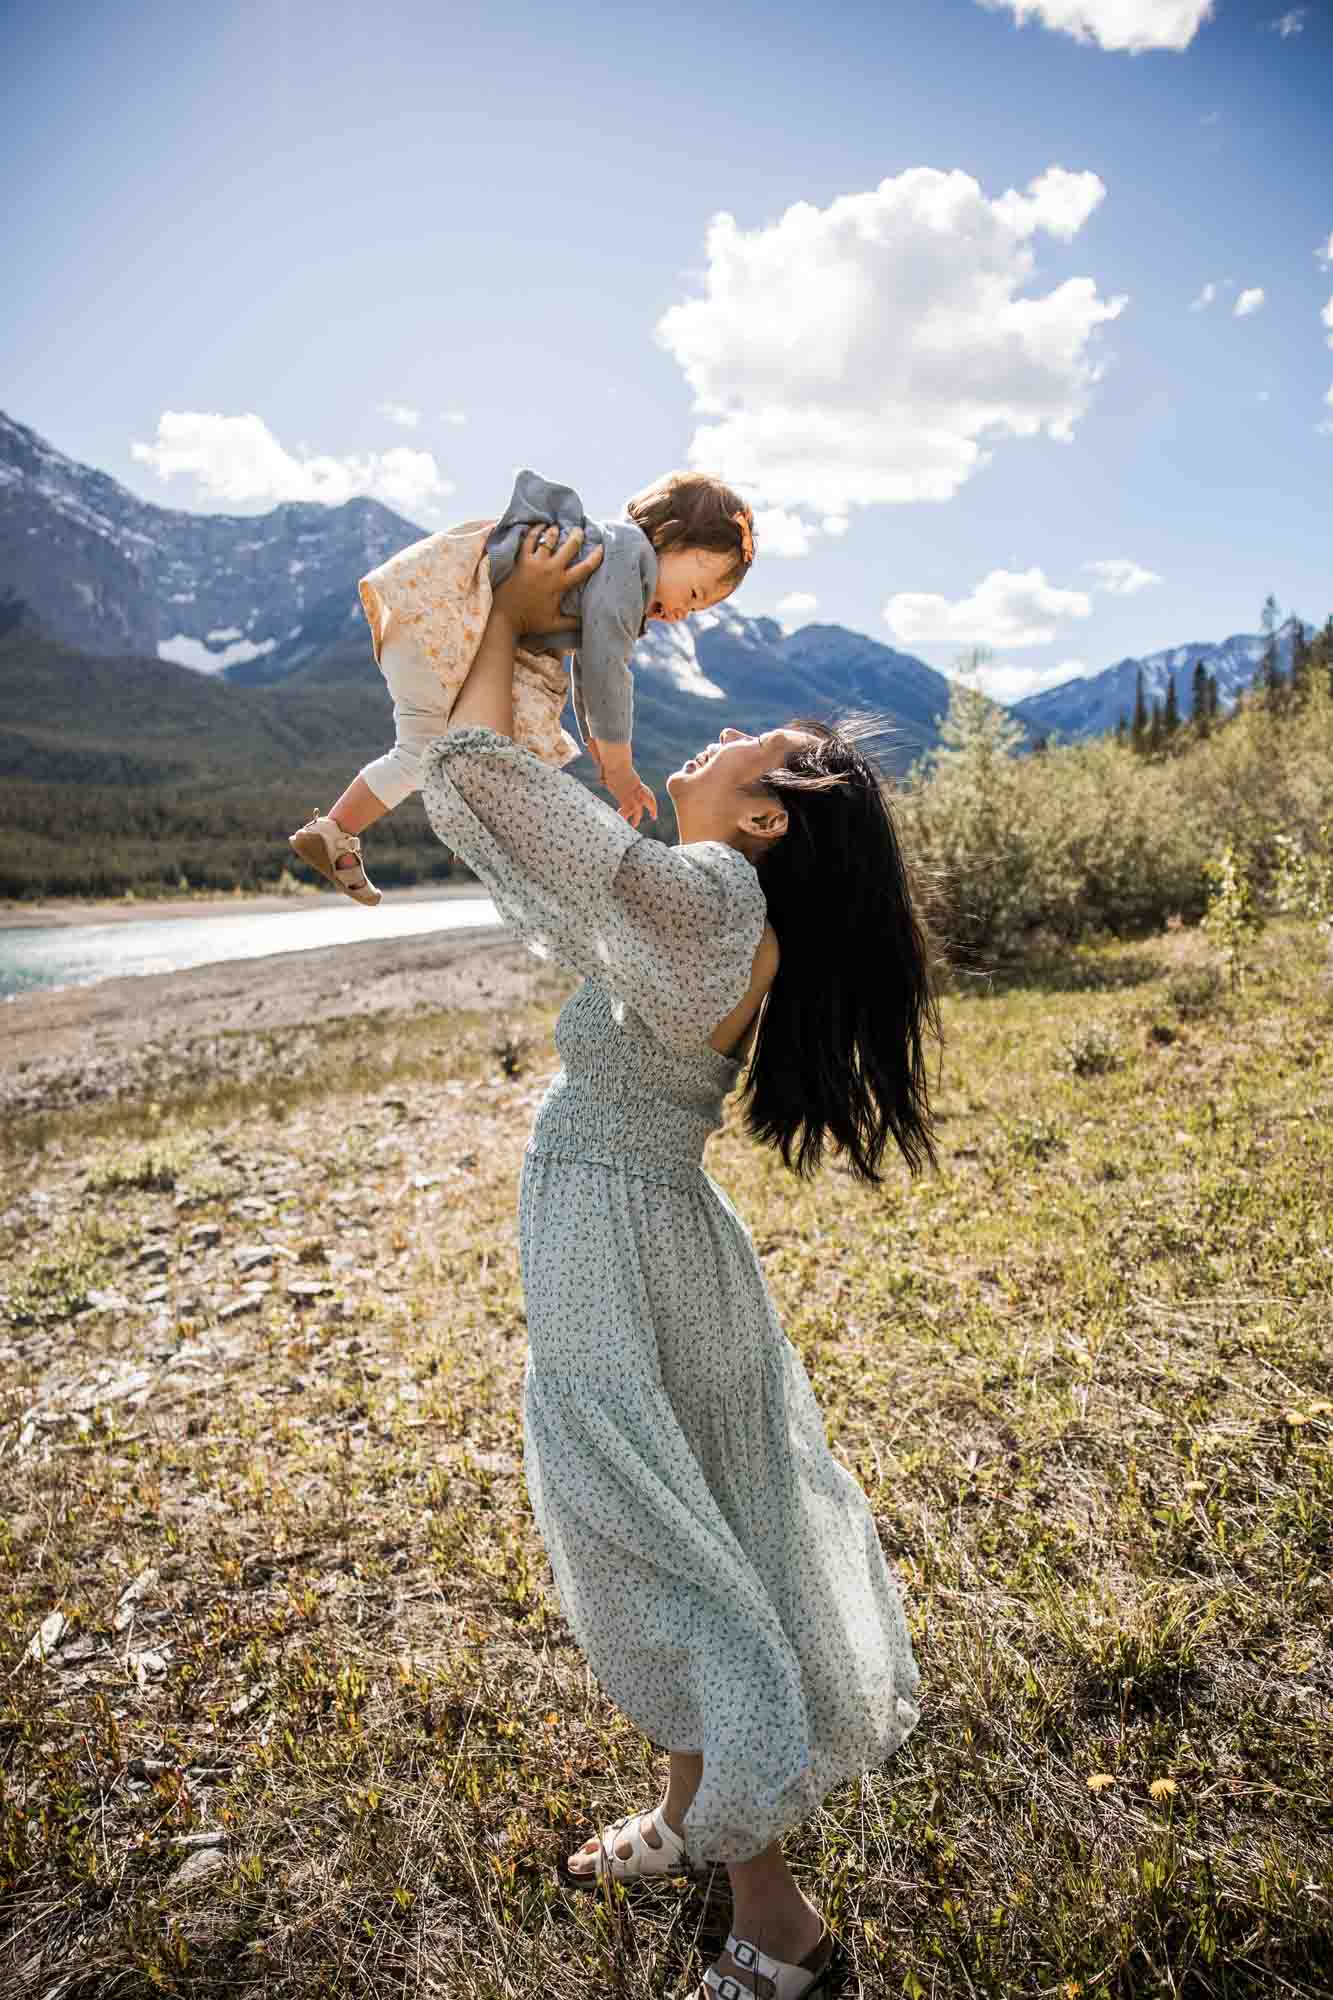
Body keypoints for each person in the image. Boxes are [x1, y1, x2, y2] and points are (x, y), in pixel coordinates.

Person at [421, 526, 941, 2000]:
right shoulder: (718, 906)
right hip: (657, 1235)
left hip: (618, 1237)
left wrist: (508, 618)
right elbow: (557, 835)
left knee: (653, 1546)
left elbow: (486, 790)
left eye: (750, 746)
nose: (718, 738)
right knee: (688, 1515)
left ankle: (775, 1923)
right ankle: (683, 1812)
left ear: (767, 818)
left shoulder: (710, 899)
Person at [287, 468, 755, 905]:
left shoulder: (613, 564)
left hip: (437, 623)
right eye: (693, 594)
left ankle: (336, 832)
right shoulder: (627, 560)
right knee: (447, 754)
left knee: (425, 753)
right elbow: (607, 670)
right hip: (448, 621)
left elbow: (588, 673)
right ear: (668, 536)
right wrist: (619, 768)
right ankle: (457, 826)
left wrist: (599, 746)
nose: (683, 613)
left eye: (697, 611)